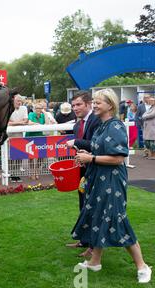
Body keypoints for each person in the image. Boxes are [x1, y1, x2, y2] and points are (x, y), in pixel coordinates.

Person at [73, 88, 152, 284]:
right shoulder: (102, 126)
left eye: (99, 102)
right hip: (99, 178)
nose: (95, 105)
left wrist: (90, 158)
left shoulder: (115, 126)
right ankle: (95, 261)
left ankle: (142, 266)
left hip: (112, 180)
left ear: (110, 105)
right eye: (95, 101)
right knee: (100, 216)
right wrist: (86, 156)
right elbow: (99, 149)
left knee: (118, 220)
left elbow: (117, 158)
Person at [65, 91, 101, 256]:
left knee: (93, 207)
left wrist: (77, 142)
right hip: (83, 171)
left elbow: (97, 145)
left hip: (97, 170)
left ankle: (93, 246)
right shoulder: (76, 125)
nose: (75, 108)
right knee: (83, 204)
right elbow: (83, 148)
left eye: (78, 104)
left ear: (88, 104)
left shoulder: (97, 120)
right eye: (73, 106)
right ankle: (84, 240)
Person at [7, 94, 29, 182]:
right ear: (13, 101)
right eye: (17, 101)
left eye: (20, 101)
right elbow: (7, 123)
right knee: (10, 156)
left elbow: (26, 121)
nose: (19, 103)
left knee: (19, 155)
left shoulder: (24, 108)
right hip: (10, 135)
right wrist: (20, 122)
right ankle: (10, 173)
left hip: (19, 135)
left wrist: (14, 122)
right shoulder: (8, 108)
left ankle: (15, 174)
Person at [142, 96, 155, 160]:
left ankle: (154, 155)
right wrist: (145, 116)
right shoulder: (150, 108)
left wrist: (145, 116)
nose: (150, 102)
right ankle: (151, 155)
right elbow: (143, 115)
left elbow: (152, 115)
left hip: (153, 127)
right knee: (148, 141)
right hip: (148, 127)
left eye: (152, 101)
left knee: (153, 141)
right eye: (150, 101)